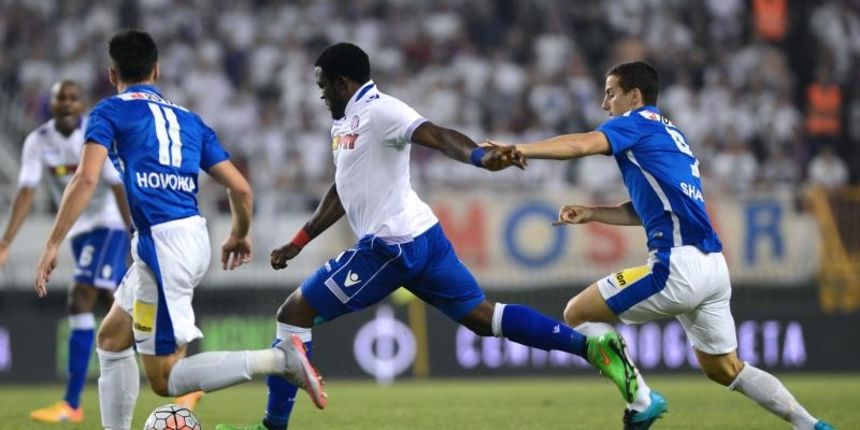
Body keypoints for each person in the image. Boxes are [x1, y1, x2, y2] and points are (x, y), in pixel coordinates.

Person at [216, 42, 637, 430]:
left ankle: (272, 427)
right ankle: (589, 349)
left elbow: (435, 135)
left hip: (389, 246)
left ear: (343, 83)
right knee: (484, 318)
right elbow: (344, 189)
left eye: (323, 85)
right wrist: (300, 240)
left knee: (292, 315)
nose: (321, 93)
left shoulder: (382, 110)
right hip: (423, 237)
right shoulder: (345, 124)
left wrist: (479, 156)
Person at [491, 61, 835, 430]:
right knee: (726, 369)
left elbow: (579, 144)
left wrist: (519, 148)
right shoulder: (674, 137)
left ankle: (641, 401)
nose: (605, 104)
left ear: (634, 96)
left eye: (610, 93)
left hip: (676, 267)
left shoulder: (634, 124)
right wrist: (592, 213)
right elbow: (651, 210)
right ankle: (810, 425)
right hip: (714, 268)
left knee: (578, 313)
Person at [33, 30, 323, 430]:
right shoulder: (190, 121)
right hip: (186, 237)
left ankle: (279, 360)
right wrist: (239, 233)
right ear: (156, 69)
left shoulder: (109, 112)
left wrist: (52, 244)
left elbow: (86, 179)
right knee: (112, 339)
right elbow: (240, 187)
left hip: (162, 246)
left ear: (111, 74)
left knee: (165, 379)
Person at [0, 80, 135, 423]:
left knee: (80, 297)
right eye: (61, 97)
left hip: (109, 224)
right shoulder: (38, 141)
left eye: (74, 98)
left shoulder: (94, 133)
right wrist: (5, 242)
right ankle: (173, 362)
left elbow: (117, 186)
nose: (68, 104)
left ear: (81, 105)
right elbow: (26, 193)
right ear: (52, 103)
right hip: (80, 230)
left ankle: (71, 404)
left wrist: (134, 235)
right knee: (118, 304)